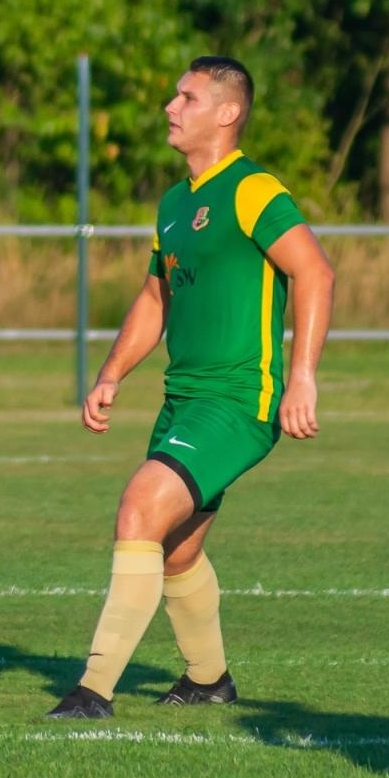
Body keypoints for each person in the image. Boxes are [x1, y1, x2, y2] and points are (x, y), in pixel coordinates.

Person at [46, 56, 335, 719]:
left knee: (140, 508)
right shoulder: (175, 204)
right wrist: (111, 374)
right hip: (185, 397)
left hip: (240, 398)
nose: (171, 108)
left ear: (227, 113)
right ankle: (209, 680)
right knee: (177, 550)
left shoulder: (253, 189)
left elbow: (315, 273)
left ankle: (92, 692)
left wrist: (303, 377)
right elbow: (156, 296)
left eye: (187, 97)